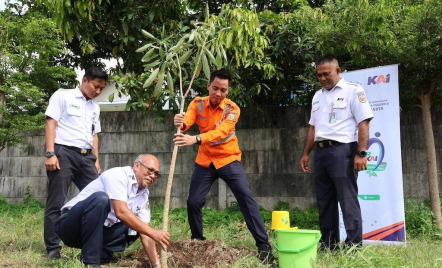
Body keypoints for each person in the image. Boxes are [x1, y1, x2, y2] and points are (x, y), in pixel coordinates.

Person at [173, 69, 273, 262]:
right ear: (209, 86)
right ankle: (198, 243)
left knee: (246, 199)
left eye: (223, 90)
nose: (218, 93)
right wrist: (180, 122)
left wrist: (196, 138)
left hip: (228, 159)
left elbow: (221, 132)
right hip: (205, 161)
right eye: (216, 88)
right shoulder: (197, 103)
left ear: (228, 91)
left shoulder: (232, 109)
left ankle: (264, 247)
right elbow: (185, 123)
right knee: (193, 202)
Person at [300, 54, 374, 250]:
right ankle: (329, 244)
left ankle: (353, 246)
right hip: (321, 153)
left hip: (343, 151)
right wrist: (306, 153)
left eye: (327, 74)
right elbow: (313, 128)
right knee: (325, 201)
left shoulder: (353, 91)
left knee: (347, 200)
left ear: (338, 71)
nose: (323, 78)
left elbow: (363, 122)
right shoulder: (317, 96)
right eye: (319, 75)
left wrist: (361, 153)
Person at [54, 154, 170, 268]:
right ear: (137, 165)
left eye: (156, 174)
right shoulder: (118, 175)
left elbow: (146, 232)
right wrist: (153, 232)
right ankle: (91, 262)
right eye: (150, 170)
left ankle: (102, 254)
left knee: (137, 227)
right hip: (71, 227)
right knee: (101, 199)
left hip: (96, 233)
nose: (153, 176)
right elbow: (121, 212)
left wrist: (156, 265)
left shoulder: (143, 194)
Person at [44, 68, 108, 259]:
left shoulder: (94, 107)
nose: (97, 91)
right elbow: (51, 123)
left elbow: (94, 135)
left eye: (101, 89)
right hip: (63, 154)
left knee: (100, 197)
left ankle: (93, 246)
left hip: (87, 158)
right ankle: (53, 249)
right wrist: (50, 153)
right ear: (85, 80)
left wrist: (96, 159)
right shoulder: (63, 96)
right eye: (95, 86)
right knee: (56, 202)